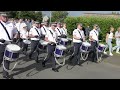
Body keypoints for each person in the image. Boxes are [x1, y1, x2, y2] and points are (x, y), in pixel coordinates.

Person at [0, 13, 18, 79]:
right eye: (3, 16)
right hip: (1, 45)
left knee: (7, 60)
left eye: (6, 16)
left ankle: (5, 75)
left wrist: (15, 37)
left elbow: (15, 32)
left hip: (9, 45)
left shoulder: (11, 24)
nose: (5, 17)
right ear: (0, 16)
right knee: (0, 59)